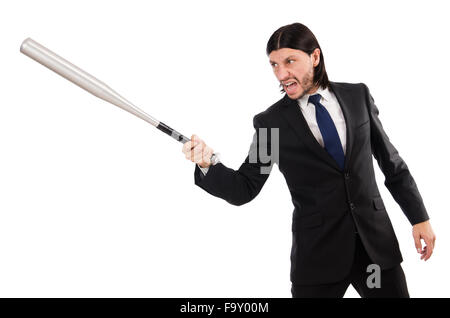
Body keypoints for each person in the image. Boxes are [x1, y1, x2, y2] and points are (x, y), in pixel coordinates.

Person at [181, 22, 436, 298]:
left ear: (315, 57)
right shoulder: (272, 124)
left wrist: (419, 217)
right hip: (318, 258)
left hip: (375, 250)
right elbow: (245, 187)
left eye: (289, 61)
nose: (281, 73)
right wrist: (207, 165)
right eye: (274, 65)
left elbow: (391, 163)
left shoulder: (357, 97)